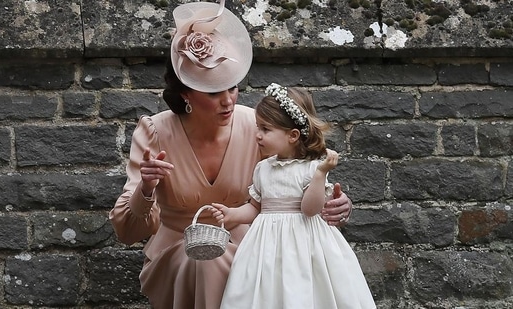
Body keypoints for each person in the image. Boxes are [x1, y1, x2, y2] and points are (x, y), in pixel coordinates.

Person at [109, 1, 354, 308]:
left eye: (232, 88)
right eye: (214, 93)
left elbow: (300, 180)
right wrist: (146, 189)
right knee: (207, 260)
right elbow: (127, 231)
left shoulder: (257, 127)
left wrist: (337, 204)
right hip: (180, 251)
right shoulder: (155, 133)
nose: (227, 101)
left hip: (253, 249)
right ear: (186, 93)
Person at [210, 83, 376, 309]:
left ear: (293, 135)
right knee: (267, 291)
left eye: (266, 129)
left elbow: (310, 209)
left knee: (304, 291)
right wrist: (232, 214)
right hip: (265, 247)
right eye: (258, 127)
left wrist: (320, 174)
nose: (257, 135)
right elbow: (256, 207)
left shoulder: (311, 169)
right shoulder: (263, 169)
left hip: (305, 244)